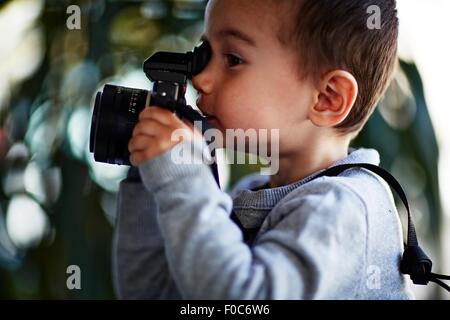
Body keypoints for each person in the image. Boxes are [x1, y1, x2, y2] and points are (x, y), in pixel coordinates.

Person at [113, 0, 413, 299]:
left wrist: (183, 177)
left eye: (232, 59)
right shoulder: (251, 194)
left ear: (327, 98)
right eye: (205, 53)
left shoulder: (341, 208)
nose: (200, 79)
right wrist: (151, 175)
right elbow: (151, 292)